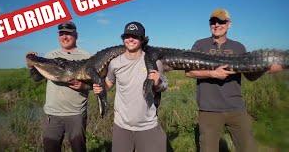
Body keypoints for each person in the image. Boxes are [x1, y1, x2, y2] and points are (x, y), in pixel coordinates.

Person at [185, 9, 283, 152]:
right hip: (209, 110)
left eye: (221, 21)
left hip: (237, 108)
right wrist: (213, 74)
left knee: (248, 148)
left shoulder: (239, 47)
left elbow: (250, 76)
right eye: (213, 22)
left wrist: (265, 69)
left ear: (229, 24)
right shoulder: (200, 45)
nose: (217, 25)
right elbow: (189, 72)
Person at [93, 22, 168, 152]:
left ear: (142, 40)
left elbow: (164, 86)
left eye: (135, 36)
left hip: (148, 125)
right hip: (121, 127)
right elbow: (109, 83)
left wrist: (158, 83)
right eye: (127, 36)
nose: (130, 39)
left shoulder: (155, 62)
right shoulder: (115, 63)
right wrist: (101, 87)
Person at [27, 21, 91, 152]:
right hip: (53, 114)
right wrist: (31, 66)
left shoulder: (86, 56)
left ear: (76, 35)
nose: (65, 37)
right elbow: (37, 78)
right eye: (62, 34)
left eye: (69, 34)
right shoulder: (51, 56)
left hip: (76, 114)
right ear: (58, 36)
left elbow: (94, 84)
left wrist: (83, 86)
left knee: (79, 148)